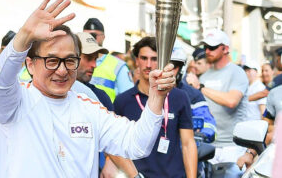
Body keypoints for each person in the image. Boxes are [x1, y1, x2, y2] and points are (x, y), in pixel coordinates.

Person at [0, 0, 176, 177]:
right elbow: (0, 81)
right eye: (52, 61)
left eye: (70, 61)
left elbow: (137, 145)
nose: (62, 71)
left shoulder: (89, 108)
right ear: (30, 64)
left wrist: (156, 97)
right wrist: (23, 36)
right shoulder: (16, 102)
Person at [114, 36, 197, 178]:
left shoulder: (179, 97)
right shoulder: (122, 101)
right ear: (136, 61)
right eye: (144, 58)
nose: (148, 64)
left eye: (154, 59)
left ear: (162, 62)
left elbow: (188, 143)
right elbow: (115, 146)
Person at [76, 32, 138, 177]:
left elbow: (114, 140)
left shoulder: (99, 97)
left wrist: (110, 160)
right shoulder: (40, 93)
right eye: (88, 58)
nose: (94, 65)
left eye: (96, 59)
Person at [192, 29, 248, 177]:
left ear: (225, 49)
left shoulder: (237, 72)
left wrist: (200, 88)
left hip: (232, 147)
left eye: (212, 47)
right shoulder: (205, 75)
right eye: (205, 47)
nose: (207, 51)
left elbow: (231, 101)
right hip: (207, 144)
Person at [170, 45, 216, 143]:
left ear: (181, 69)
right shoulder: (143, 93)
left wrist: (203, 134)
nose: (167, 70)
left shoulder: (193, 95)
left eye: (173, 67)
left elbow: (208, 123)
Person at [83, 18, 134, 102]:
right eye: (85, 36)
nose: (89, 39)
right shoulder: (75, 62)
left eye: (93, 35)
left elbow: (128, 99)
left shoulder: (118, 66)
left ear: (103, 37)